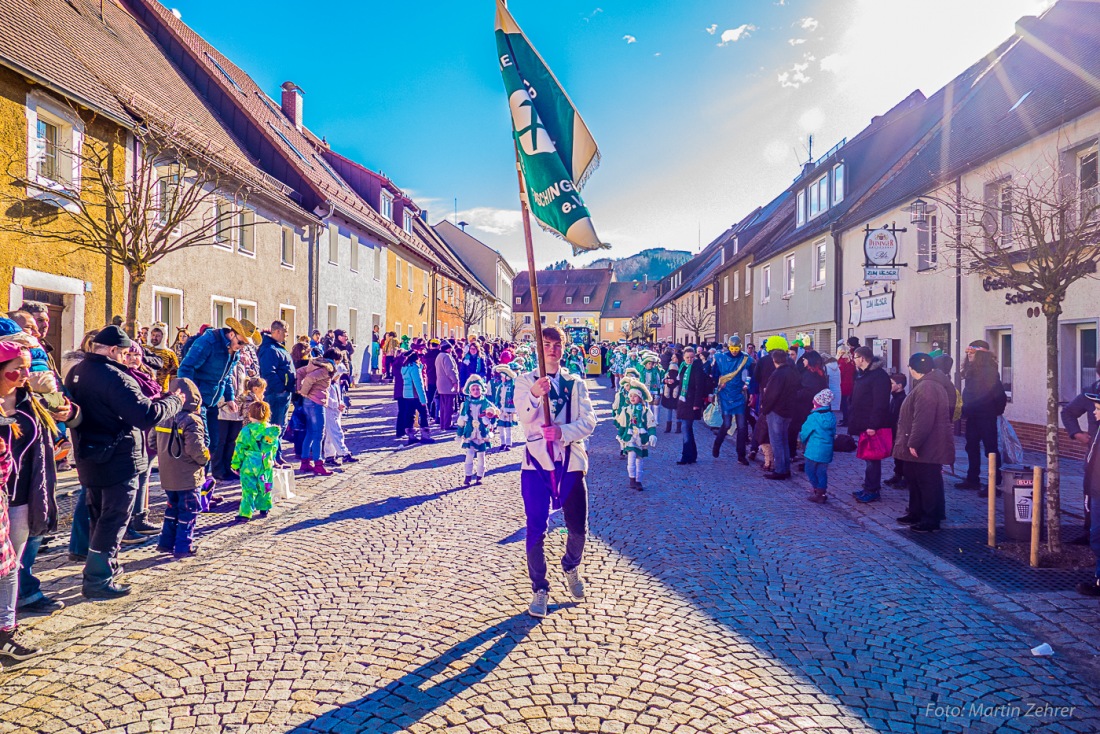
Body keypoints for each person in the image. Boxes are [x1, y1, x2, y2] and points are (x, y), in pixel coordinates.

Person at [65, 326, 183, 598]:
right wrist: (174, 401)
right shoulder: (116, 377)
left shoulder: (77, 371)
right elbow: (145, 415)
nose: (128, 356)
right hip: (119, 457)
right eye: (125, 351)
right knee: (114, 517)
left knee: (99, 514)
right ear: (114, 350)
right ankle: (98, 580)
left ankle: (105, 569)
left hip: (89, 454)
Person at [514, 326, 596, 618]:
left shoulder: (575, 384)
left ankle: (571, 565)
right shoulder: (525, 382)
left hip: (570, 461)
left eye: (556, 344)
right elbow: (523, 417)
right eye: (545, 344)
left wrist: (562, 431)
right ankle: (539, 587)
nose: (551, 349)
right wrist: (536, 395)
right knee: (536, 528)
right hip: (536, 463)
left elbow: (589, 422)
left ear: (563, 348)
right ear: (538, 347)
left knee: (577, 528)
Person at [177, 318, 259, 479]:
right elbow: (185, 369)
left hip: (212, 402)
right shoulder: (209, 342)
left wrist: (229, 398)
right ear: (232, 333)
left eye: (245, 345)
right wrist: (192, 399)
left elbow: (226, 377)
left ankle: (203, 486)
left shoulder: (234, 352)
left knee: (213, 443)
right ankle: (194, 488)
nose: (241, 348)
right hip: (198, 401)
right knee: (202, 443)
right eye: (240, 343)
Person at [893, 354, 956, 532]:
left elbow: (923, 419)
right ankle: (916, 512)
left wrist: (914, 442)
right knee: (914, 478)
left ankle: (930, 519)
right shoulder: (926, 384)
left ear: (913, 369)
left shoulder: (928, 387)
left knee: (928, 481)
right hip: (924, 444)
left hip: (927, 445)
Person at [154, 378, 208, 558]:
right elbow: (196, 449)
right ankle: (184, 545)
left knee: (171, 508)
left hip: (168, 474)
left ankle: (165, 542)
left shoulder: (164, 416)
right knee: (189, 511)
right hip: (187, 475)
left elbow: (152, 441)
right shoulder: (192, 420)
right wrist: (205, 459)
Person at [956, 340, 1007, 493]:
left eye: (973, 353)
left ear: (981, 355)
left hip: (986, 415)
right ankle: (972, 479)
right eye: (968, 353)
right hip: (973, 416)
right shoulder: (971, 370)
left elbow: (999, 395)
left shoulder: (989, 371)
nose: (969, 355)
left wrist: (994, 411)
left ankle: (994, 483)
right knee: (971, 446)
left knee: (990, 449)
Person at [849, 346, 892, 502]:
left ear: (862, 358)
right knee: (868, 457)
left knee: (873, 458)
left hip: (872, 425)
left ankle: (872, 489)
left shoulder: (878, 376)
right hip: (863, 422)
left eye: (854, 357)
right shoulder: (863, 374)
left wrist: (873, 425)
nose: (852, 360)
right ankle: (868, 486)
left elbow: (880, 403)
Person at [232, 401, 280, 523]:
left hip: (250, 463)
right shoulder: (271, 431)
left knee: (248, 488)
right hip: (265, 462)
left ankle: (245, 513)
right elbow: (274, 448)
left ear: (250, 414)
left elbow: (239, 449)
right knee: (265, 485)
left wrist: (235, 464)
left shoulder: (246, 431)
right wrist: (272, 459)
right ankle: (265, 507)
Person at [257, 321, 294, 467]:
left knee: (281, 427)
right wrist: (281, 388)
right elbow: (268, 373)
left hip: (283, 394)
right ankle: (271, 458)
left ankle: (277, 456)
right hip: (276, 394)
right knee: (274, 427)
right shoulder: (269, 349)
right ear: (277, 331)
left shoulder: (276, 347)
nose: (287, 334)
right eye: (286, 331)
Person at [709, 337, 752, 463]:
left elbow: (749, 374)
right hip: (726, 393)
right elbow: (714, 374)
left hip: (739, 394)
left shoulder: (745, 359)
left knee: (742, 426)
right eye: (732, 349)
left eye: (736, 349)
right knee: (727, 424)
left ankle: (741, 455)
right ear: (729, 348)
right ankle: (717, 444)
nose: (734, 351)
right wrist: (718, 382)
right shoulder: (721, 358)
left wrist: (747, 384)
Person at [760, 349, 800, 480]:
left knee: (777, 441)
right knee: (784, 441)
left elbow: (771, 394)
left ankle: (780, 470)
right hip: (789, 410)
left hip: (777, 411)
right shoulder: (792, 372)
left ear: (774, 360)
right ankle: (785, 468)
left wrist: (764, 408)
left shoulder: (778, 374)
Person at [295, 350, 335, 475]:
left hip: (308, 401)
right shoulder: (325, 369)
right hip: (316, 402)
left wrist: (299, 388)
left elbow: (300, 372)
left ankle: (305, 462)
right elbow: (310, 378)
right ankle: (318, 464)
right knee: (318, 434)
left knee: (310, 433)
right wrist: (303, 391)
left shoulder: (314, 365)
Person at [1076, 393, 1100, 596]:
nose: (1094, 412)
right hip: (1095, 490)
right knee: (1096, 537)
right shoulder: (1098, 432)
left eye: (1098, 409)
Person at [615, 380, 657, 490]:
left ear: (640, 398)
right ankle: (632, 479)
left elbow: (651, 424)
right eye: (631, 396)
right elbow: (623, 424)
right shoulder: (626, 410)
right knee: (631, 457)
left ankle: (639, 480)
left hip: (641, 438)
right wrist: (620, 434)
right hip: (630, 437)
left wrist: (652, 434)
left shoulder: (645, 410)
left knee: (639, 459)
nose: (632, 398)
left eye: (635, 396)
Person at [456, 375, 497, 484]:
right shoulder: (466, 403)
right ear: (469, 390)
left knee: (481, 456)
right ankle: (468, 476)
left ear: (482, 389)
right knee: (469, 455)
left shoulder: (486, 403)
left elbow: (494, 416)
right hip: (470, 433)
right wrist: (459, 434)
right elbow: (461, 420)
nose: (475, 391)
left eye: (478, 389)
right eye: (473, 389)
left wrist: (489, 419)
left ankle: (479, 476)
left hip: (481, 434)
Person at [675, 346, 711, 465]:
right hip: (683, 401)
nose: (689, 360)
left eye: (691, 357)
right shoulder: (683, 367)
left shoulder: (697, 368)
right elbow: (679, 383)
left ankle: (686, 456)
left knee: (686, 428)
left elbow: (699, 387)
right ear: (684, 357)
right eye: (687, 357)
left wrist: (696, 404)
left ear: (694, 357)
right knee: (688, 429)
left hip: (691, 403)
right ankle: (692, 455)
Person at [800, 389, 837, 504]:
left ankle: (816, 490)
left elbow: (805, 432)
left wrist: (802, 441)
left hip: (814, 449)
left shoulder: (814, 417)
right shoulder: (831, 416)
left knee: (810, 469)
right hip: (827, 449)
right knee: (822, 471)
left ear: (817, 403)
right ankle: (822, 493)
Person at [323, 350, 356, 465]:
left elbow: (338, 395)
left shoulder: (335, 383)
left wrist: (340, 403)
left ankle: (329, 456)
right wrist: (337, 404)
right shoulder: (326, 381)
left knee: (330, 435)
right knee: (337, 432)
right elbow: (325, 397)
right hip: (329, 410)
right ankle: (344, 453)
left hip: (336, 410)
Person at [399, 351, 433, 445]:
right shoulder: (414, 367)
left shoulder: (405, 367)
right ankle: (425, 435)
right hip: (416, 395)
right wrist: (423, 399)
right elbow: (418, 383)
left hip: (407, 394)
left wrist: (421, 366)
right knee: (424, 414)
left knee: (410, 414)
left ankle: (411, 436)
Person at [885, 373, 909, 489]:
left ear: (899, 386)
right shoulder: (894, 397)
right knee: (896, 454)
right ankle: (898, 474)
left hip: (900, 430)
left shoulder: (902, 399)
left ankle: (905, 477)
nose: (889, 386)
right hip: (894, 429)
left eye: (892, 383)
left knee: (902, 455)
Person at [492, 363, 518, 451]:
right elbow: (497, 397)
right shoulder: (500, 386)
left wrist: (513, 408)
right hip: (501, 409)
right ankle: (502, 442)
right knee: (501, 427)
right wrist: (497, 407)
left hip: (508, 409)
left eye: (502, 377)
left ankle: (508, 443)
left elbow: (514, 397)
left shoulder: (512, 386)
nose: (501, 378)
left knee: (508, 427)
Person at [146, 323, 179, 391]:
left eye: (158, 336)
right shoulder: (143, 349)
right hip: (145, 388)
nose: (154, 338)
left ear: (163, 337)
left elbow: (175, 374)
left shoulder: (169, 353)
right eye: (153, 335)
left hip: (162, 390)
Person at [436, 342, 460, 431]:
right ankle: (447, 424)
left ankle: (443, 424)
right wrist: (455, 381)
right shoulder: (447, 357)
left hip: (441, 384)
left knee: (443, 406)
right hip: (448, 385)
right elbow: (450, 371)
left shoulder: (439, 356)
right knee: (449, 406)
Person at [659, 365, 680, 433]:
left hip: (675, 394)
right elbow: (663, 380)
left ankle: (677, 427)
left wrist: (673, 381)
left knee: (676, 411)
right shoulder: (667, 374)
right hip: (670, 394)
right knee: (670, 411)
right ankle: (670, 428)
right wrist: (666, 381)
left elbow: (680, 381)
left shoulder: (678, 374)